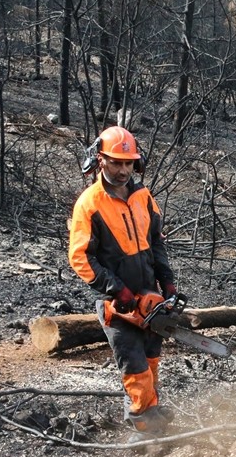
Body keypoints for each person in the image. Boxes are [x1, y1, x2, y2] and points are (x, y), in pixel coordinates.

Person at [68, 126, 178, 434]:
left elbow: (156, 242)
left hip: (149, 295)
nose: (122, 170)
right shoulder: (90, 204)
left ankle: (153, 414)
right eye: (116, 162)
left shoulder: (143, 197)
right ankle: (141, 424)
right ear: (100, 160)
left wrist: (166, 281)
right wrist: (116, 289)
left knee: (152, 359)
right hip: (118, 302)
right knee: (135, 367)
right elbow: (80, 257)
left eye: (128, 163)